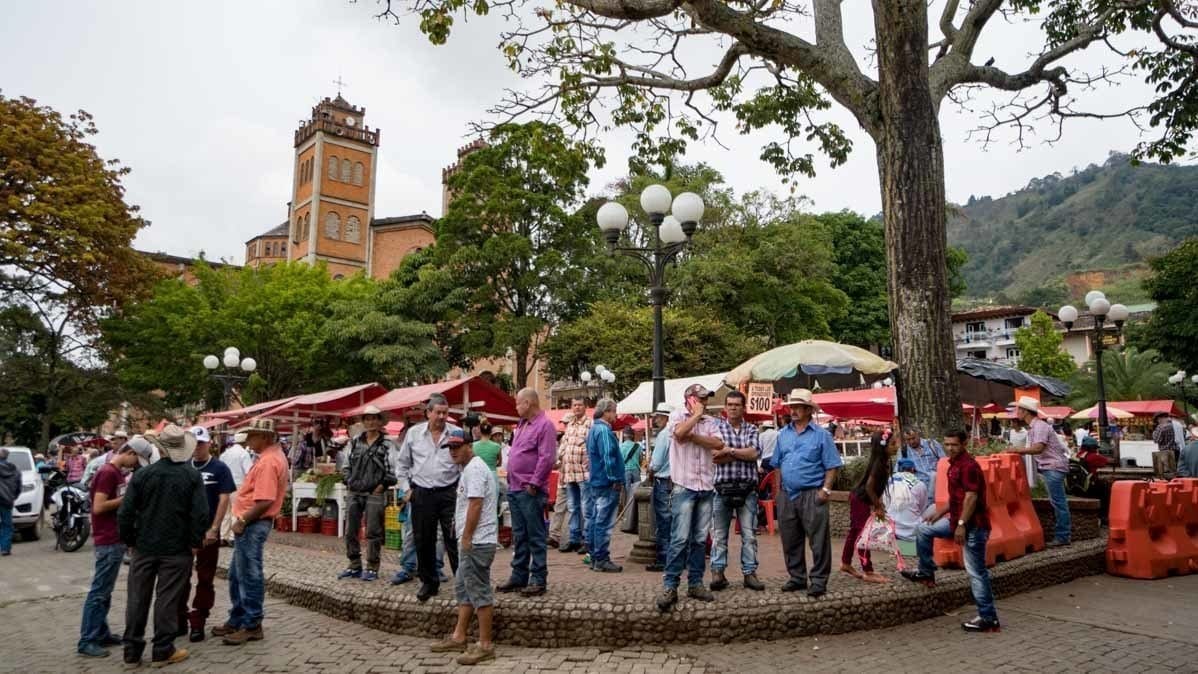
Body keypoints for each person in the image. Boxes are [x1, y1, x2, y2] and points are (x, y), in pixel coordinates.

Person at [118, 425, 208, 667]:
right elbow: (200, 514)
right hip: (177, 548)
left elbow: (125, 513)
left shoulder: (142, 475)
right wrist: (195, 542)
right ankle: (162, 649)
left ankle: (131, 650)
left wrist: (130, 540)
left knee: (137, 598)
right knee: (167, 599)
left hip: (144, 546)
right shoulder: (191, 476)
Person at [903, 430, 1001, 633]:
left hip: (972, 526)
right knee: (924, 530)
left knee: (976, 572)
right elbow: (957, 497)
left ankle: (988, 617)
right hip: (956, 521)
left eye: (954, 445)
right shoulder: (953, 465)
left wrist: (962, 524)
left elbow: (971, 497)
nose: (949, 448)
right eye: (946, 444)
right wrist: (940, 512)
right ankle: (926, 572)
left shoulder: (969, 466)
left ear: (963, 444)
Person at [214, 419, 287, 646]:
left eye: (252, 436)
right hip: (252, 522)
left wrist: (243, 520)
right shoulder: (270, 457)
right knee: (239, 573)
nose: (248, 441)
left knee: (248, 574)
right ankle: (238, 618)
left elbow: (265, 501)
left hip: (252, 523)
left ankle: (252, 623)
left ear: (264, 437)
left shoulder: (268, 461)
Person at [429, 430, 499, 665]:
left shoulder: (475, 469)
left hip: (478, 541)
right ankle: (459, 635)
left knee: (478, 590)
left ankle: (485, 644)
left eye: (457, 446)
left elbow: (476, 504)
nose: (453, 451)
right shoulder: (470, 469)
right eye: (450, 447)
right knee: (464, 587)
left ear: (470, 445)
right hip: (473, 540)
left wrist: (467, 537)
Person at [76, 439, 152, 657]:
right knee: (99, 591)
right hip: (107, 538)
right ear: (129, 452)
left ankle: (101, 632)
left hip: (114, 537)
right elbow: (99, 507)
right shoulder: (108, 472)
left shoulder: (116, 473)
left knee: (105, 591)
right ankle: (88, 639)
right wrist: (127, 498)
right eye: (136, 459)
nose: (135, 465)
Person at [657, 384, 724, 612]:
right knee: (679, 538)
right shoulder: (677, 415)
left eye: (705, 398)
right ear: (690, 399)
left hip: (705, 485)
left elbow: (718, 444)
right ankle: (670, 585)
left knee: (698, 539)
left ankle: (695, 583)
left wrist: (694, 435)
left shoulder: (711, 421)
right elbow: (678, 434)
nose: (704, 402)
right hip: (684, 486)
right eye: (701, 398)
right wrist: (694, 419)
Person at [774, 388, 842, 598]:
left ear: (808, 410)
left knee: (818, 540)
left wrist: (826, 489)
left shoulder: (821, 435)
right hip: (788, 494)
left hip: (813, 493)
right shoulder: (782, 434)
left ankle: (819, 580)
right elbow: (777, 464)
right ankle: (797, 577)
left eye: (798, 407)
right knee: (790, 539)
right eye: (792, 407)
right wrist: (778, 492)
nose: (793, 411)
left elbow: (832, 465)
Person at [396, 393, 462, 602]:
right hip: (422, 492)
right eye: (438, 412)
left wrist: (462, 489)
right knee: (423, 538)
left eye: (445, 413)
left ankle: (463, 581)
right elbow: (402, 464)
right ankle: (428, 582)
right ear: (428, 413)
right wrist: (406, 490)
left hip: (449, 492)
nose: (442, 417)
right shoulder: (414, 434)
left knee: (454, 538)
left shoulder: (455, 433)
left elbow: (463, 461)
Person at [178, 426, 235, 642]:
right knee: (180, 576)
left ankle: (198, 620)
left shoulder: (219, 468)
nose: (197, 448)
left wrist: (215, 527)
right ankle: (179, 618)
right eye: (193, 443)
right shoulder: (184, 467)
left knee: (205, 577)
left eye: (200, 443)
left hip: (207, 531)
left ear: (208, 443)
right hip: (185, 532)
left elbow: (224, 498)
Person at [499, 388, 557, 596]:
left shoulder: (544, 425)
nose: (516, 407)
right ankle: (519, 576)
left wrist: (534, 483)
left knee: (535, 535)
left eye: (518, 403)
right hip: (516, 488)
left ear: (528, 403)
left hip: (529, 490)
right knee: (519, 534)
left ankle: (538, 578)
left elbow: (547, 457)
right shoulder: (521, 425)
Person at [337, 406, 399, 583]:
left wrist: (381, 486)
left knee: (374, 531)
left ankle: (372, 567)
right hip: (354, 491)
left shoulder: (387, 444)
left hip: (374, 492)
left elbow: (392, 469)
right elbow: (345, 464)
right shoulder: (355, 441)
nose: (371, 422)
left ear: (380, 421)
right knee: (350, 530)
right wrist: (349, 481)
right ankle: (354, 564)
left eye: (374, 418)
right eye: (368, 418)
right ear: (363, 421)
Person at [710, 390, 764, 592]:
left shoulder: (752, 429)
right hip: (721, 488)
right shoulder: (716, 428)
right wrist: (741, 453)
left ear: (743, 408)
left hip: (747, 489)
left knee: (749, 534)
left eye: (737, 405)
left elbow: (754, 453)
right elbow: (714, 456)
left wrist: (729, 451)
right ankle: (717, 572)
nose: (733, 408)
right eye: (730, 404)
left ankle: (750, 573)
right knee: (719, 534)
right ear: (725, 407)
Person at [1011, 397, 1072, 547]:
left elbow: (1038, 448)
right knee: (1057, 502)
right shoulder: (1037, 426)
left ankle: (1063, 536)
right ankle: (1062, 535)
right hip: (1051, 467)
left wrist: (1017, 450)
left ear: (1025, 411)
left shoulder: (1039, 427)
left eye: (1019, 409)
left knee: (1058, 502)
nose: (1016, 412)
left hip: (1052, 466)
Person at [840, 432, 892, 583]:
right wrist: (878, 506)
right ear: (883, 447)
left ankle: (846, 563)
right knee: (864, 535)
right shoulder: (879, 464)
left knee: (856, 532)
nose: (896, 446)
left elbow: (877, 487)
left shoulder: (885, 461)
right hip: (860, 499)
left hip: (861, 499)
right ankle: (867, 570)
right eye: (893, 444)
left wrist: (878, 503)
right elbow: (869, 487)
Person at [583, 398, 624, 574]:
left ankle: (594, 556)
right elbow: (608, 457)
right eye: (614, 411)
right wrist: (614, 478)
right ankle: (601, 558)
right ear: (606, 412)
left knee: (594, 519)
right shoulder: (604, 431)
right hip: (606, 482)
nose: (615, 415)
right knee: (603, 522)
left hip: (596, 481)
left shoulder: (593, 429)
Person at [557, 398, 591, 554]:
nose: (577, 407)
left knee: (586, 508)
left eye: (580, 405)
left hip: (584, 474)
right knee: (572, 508)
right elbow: (563, 449)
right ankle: (574, 539)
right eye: (574, 405)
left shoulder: (590, 424)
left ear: (585, 407)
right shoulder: (569, 426)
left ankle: (587, 539)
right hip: (570, 473)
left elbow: (593, 448)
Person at [646, 403, 673, 572]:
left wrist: (649, 471)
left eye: (658, 417)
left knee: (664, 522)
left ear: (665, 417)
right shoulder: (677, 433)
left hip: (663, 481)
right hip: (675, 480)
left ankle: (664, 558)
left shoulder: (664, 435)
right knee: (674, 522)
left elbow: (655, 464)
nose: (656, 420)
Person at [219, 431, 254, 544]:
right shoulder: (244, 454)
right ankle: (233, 537)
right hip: (238, 484)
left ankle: (223, 536)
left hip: (224, 484)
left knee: (225, 510)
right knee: (236, 510)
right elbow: (249, 471)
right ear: (245, 442)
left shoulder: (225, 453)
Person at [885, 458, 928, 543]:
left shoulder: (888, 481)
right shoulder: (919, 484)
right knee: (933, 508)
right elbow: (922, 507)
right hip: (911, 533)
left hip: (890, 529)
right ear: (913, 469)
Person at [900, 426, 944, 497]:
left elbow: (944, 462)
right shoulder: (903, 451)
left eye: (913, 438)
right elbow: (899, 471)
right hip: (918, 487)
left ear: (918, 435)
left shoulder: (932, 444)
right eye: (908, 439)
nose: (911, 441)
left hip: (937, 484)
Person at [0, 448, 21, 558]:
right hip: (7, 500)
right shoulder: (15, 470)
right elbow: (18, 487)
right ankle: (5, 549)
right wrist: (13, 497)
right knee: (7, 524)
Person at [618, 426, 643, 510]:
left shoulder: (620, 446)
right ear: (632, 435)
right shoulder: (638, 446)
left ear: (624, 436)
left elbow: (619, 461)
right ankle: (637, 509)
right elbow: (641, 459)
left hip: (625, 471)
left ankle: (628, 511)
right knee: (637, 492)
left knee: (627, 492)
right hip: (636, 470)